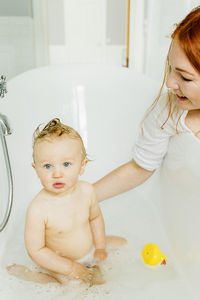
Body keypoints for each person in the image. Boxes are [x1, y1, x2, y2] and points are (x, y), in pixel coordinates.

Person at [93, 6, 200, 203]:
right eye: (170, 67)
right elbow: (141, 167)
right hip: (177, 208)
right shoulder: (169, 109)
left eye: (185, 77)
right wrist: (87, 196)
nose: (169, 83)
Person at [7, 119, 126, 285]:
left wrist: (100, 247)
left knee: (124, 244)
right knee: (58, 283)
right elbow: (36, 250)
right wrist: (70, 268)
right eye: (47, 166)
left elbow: (95, 218)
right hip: (58, 263)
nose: (57, 173)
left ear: (82, 166)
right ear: (36, 169)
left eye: (66, 164)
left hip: (89, 250)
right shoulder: (38, 209)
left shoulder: (87, 191)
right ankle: (30, 274)